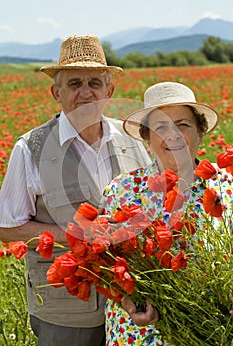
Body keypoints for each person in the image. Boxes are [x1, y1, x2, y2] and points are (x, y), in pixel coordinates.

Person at [0, 34, 152, 346]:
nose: (86, 92)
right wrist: (77, 233)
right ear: (56, 92)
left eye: (95, 83)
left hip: (134, 298)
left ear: (109, 91)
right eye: (74, 83)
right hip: (66, 307)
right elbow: (7, 227)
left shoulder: (133, 140)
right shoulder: (32, 148)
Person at [101, 81, 233, 345]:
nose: (172, 135)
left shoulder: (227, 189)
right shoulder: (122, 190)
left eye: (183, 124)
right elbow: (105, 263)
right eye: (160, 127)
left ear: (201, 131)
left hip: (211, 328)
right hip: (139, 333)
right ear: (147, 138)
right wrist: (128, 304)